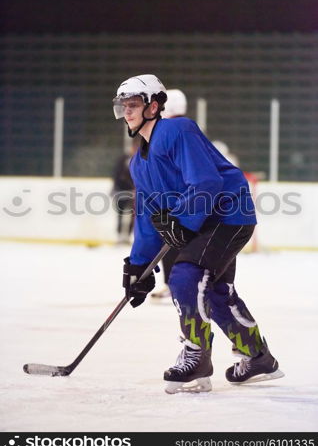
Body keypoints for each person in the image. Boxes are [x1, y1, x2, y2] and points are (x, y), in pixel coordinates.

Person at [112, 74, 284, 394]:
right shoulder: (139, 163)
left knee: (185, 277)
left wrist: (182, 221)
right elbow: (149, 217)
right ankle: (258, 357)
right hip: (202, 222)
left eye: (133, 105)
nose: (128, 112)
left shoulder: (177, 130)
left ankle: (197, 360)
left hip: (227, 215)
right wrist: (137, 266)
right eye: (123, 106)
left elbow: (206, 182)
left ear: (154, 106)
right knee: (216, 292)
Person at [151, 89, 187, 301]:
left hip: (176, 202)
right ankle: (176, 285)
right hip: (189, 201)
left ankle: (173, 286)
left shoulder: (169, 132)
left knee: (172, 244)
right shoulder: (189, 129)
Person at [111, 144, 136, 244]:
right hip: (120, 191)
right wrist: (115, 188)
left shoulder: (139, 159)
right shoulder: (122, 159)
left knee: (132, 215)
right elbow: (116, 174)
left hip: (132, 192)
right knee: (120, 214)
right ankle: (120, 235)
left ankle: (128, 235)